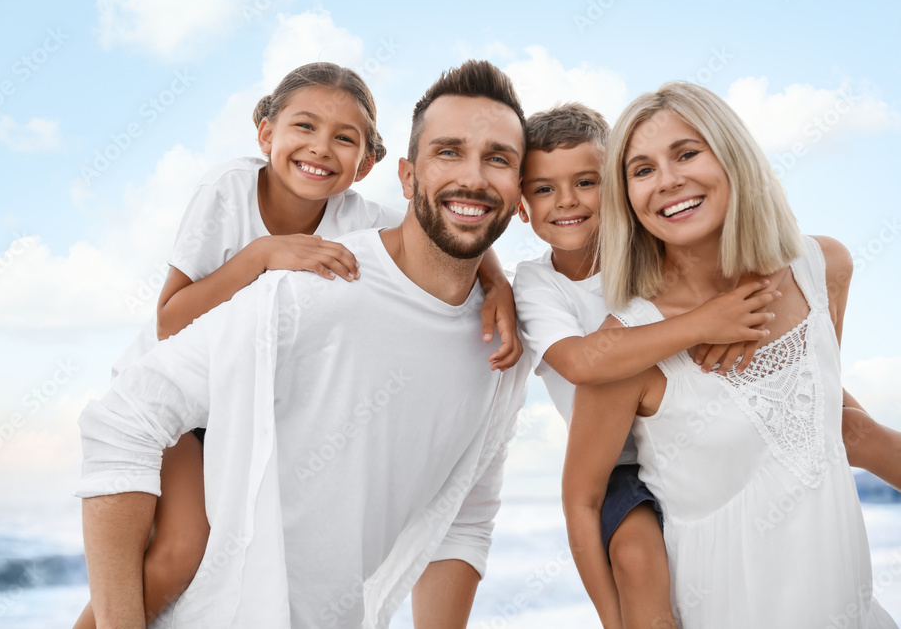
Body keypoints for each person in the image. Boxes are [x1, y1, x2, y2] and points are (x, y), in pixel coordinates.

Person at [76, 59, 531, 628]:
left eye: (498, 159)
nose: (320, 149)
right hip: (179, 382)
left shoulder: (360, 221)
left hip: (236, 406)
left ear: (368, 164)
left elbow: (456, 219)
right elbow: (166, 330)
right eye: (449, 151)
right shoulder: (238, 206)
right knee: (179, 549)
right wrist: (260, 257)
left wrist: (498, 283)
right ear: (265, 132)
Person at [562, 82, 898, 627]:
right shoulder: (627, 348)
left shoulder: (821, 268)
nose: (669, 181)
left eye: (687, 152)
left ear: (731, 154)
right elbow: (585, 502)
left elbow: (823, 420)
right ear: (626, 198)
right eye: (642, 170)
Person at [513, 103, 782, 628]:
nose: (566, 201)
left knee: (843, 424)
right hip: (618, 465)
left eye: (586, 182)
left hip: (703, 435)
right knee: (637, 556)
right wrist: (705, 323)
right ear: (522, 206)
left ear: (614, 187)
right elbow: (578, 362)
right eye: (543, 189)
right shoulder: (536, 283)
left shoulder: (659, 251)